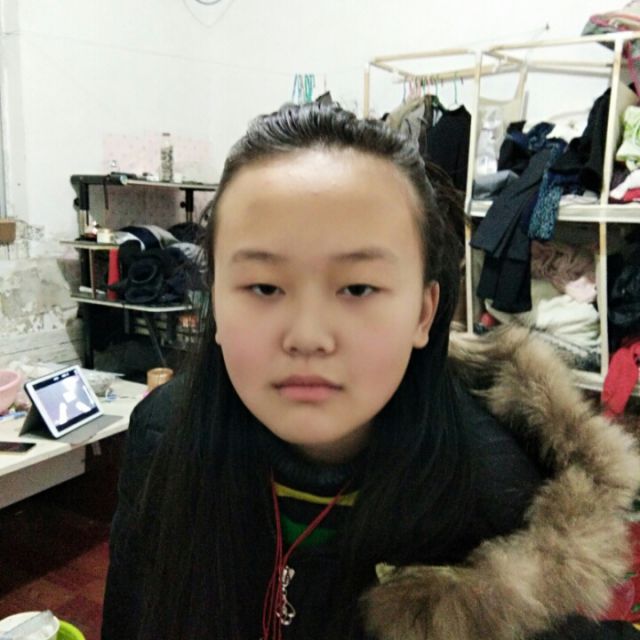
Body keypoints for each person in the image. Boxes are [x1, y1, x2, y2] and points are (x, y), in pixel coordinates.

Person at [102, 102, 640, 640]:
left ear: (424, 313)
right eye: (264, 287)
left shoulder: (503, 510)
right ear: (215, 301)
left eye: (358, 288)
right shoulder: (165, 434)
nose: (308, 336)